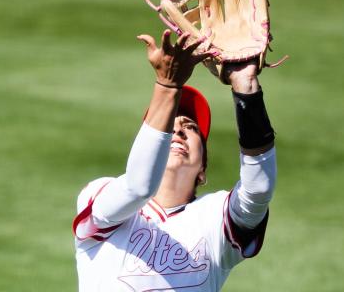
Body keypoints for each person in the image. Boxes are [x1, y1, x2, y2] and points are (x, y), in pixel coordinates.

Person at [73, 30, 278, 291]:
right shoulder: (99, 195)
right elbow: (138, 186)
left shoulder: (216, 219)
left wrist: (245, 86)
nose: (178, 130)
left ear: (202, 169)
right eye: (170, 125)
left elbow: (258, 189)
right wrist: (167, 86)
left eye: (191, 127)